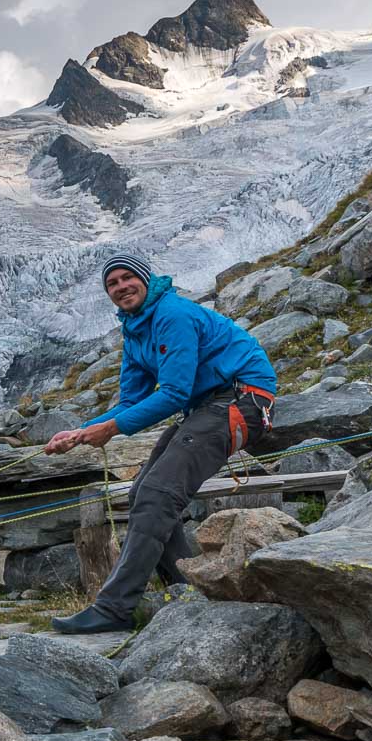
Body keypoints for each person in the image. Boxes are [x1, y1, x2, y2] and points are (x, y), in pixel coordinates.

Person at [43, 252, 277, 634]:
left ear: (146, 279)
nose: (120, 287)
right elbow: (132, 402)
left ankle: (114, 607)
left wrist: (112, 430)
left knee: (158, 493)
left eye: (126, 278)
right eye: (112, 284)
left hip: (241, 400)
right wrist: (80, 432)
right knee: (142, 495)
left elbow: (172, 393)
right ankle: (187, 593)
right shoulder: (135, 331)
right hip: (207, 406)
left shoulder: (172, 314)